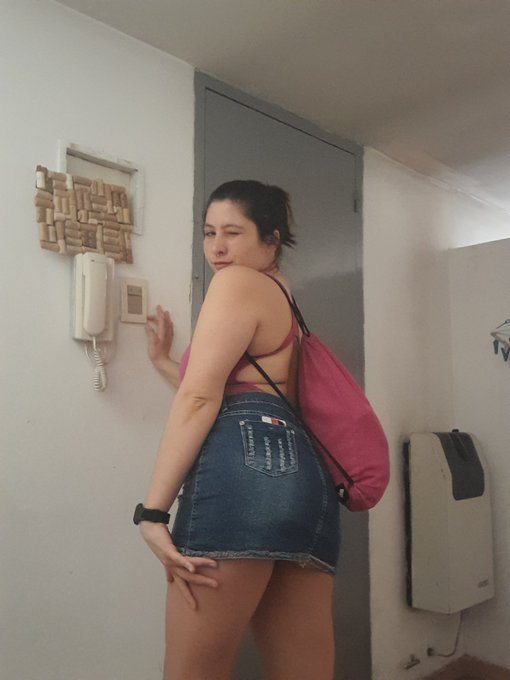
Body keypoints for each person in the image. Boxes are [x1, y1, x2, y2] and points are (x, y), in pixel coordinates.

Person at [138, 180, 340, 680]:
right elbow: (246, 389)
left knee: (193, 671)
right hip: (303, 479)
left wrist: (152, 512)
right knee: (303, 669)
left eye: (233, 232)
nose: (218, 248)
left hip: (245, 474)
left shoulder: (235, 284)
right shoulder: (285, 298)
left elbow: (201, 398)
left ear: (271, 239)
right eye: (209, 233)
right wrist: (163, 362)